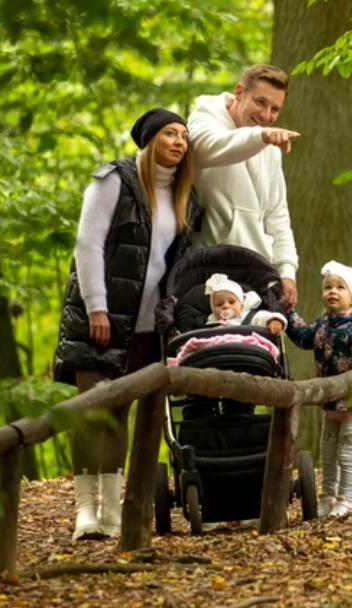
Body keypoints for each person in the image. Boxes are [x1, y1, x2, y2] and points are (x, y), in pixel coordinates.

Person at [52, 108, 203, 541]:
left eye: (184, 136)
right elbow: (87, 244)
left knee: (119, 416)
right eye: (170, 133)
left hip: (146, 331)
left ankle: (112, 510)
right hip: (98, 320)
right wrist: (96, 307)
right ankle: (85, 511)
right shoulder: (113, 180)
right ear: (150, 139)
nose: (179, 142)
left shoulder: (184, 196)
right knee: (91, 413)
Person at [187, 63, 303, 308]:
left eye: (275, 109)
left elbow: (277, 214)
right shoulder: (203, 121)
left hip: (258, 274)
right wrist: (262, 137)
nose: (266, 116)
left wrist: (286, 270)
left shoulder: (268, 144)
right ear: (240, 92)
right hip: (207, 272)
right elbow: (213, 147)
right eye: (261, 102)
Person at [284, 261, 352, 518]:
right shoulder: (324, 323)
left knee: (346, 454)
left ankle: (346, 500)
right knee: (327, 455)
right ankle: (328, 497)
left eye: (340, 287)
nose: (332, 292)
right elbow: (305, 337)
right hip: (331, 404)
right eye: (328, 287)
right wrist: (289, 315)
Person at [204, 273, 287, 333]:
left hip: (245, 349)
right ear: (213, 309)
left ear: (241, 305)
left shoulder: (249, 316)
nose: (225, 306)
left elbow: (263, 317)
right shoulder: (212, 322)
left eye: (231, 302)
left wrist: (274, 321)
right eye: (219, 304)